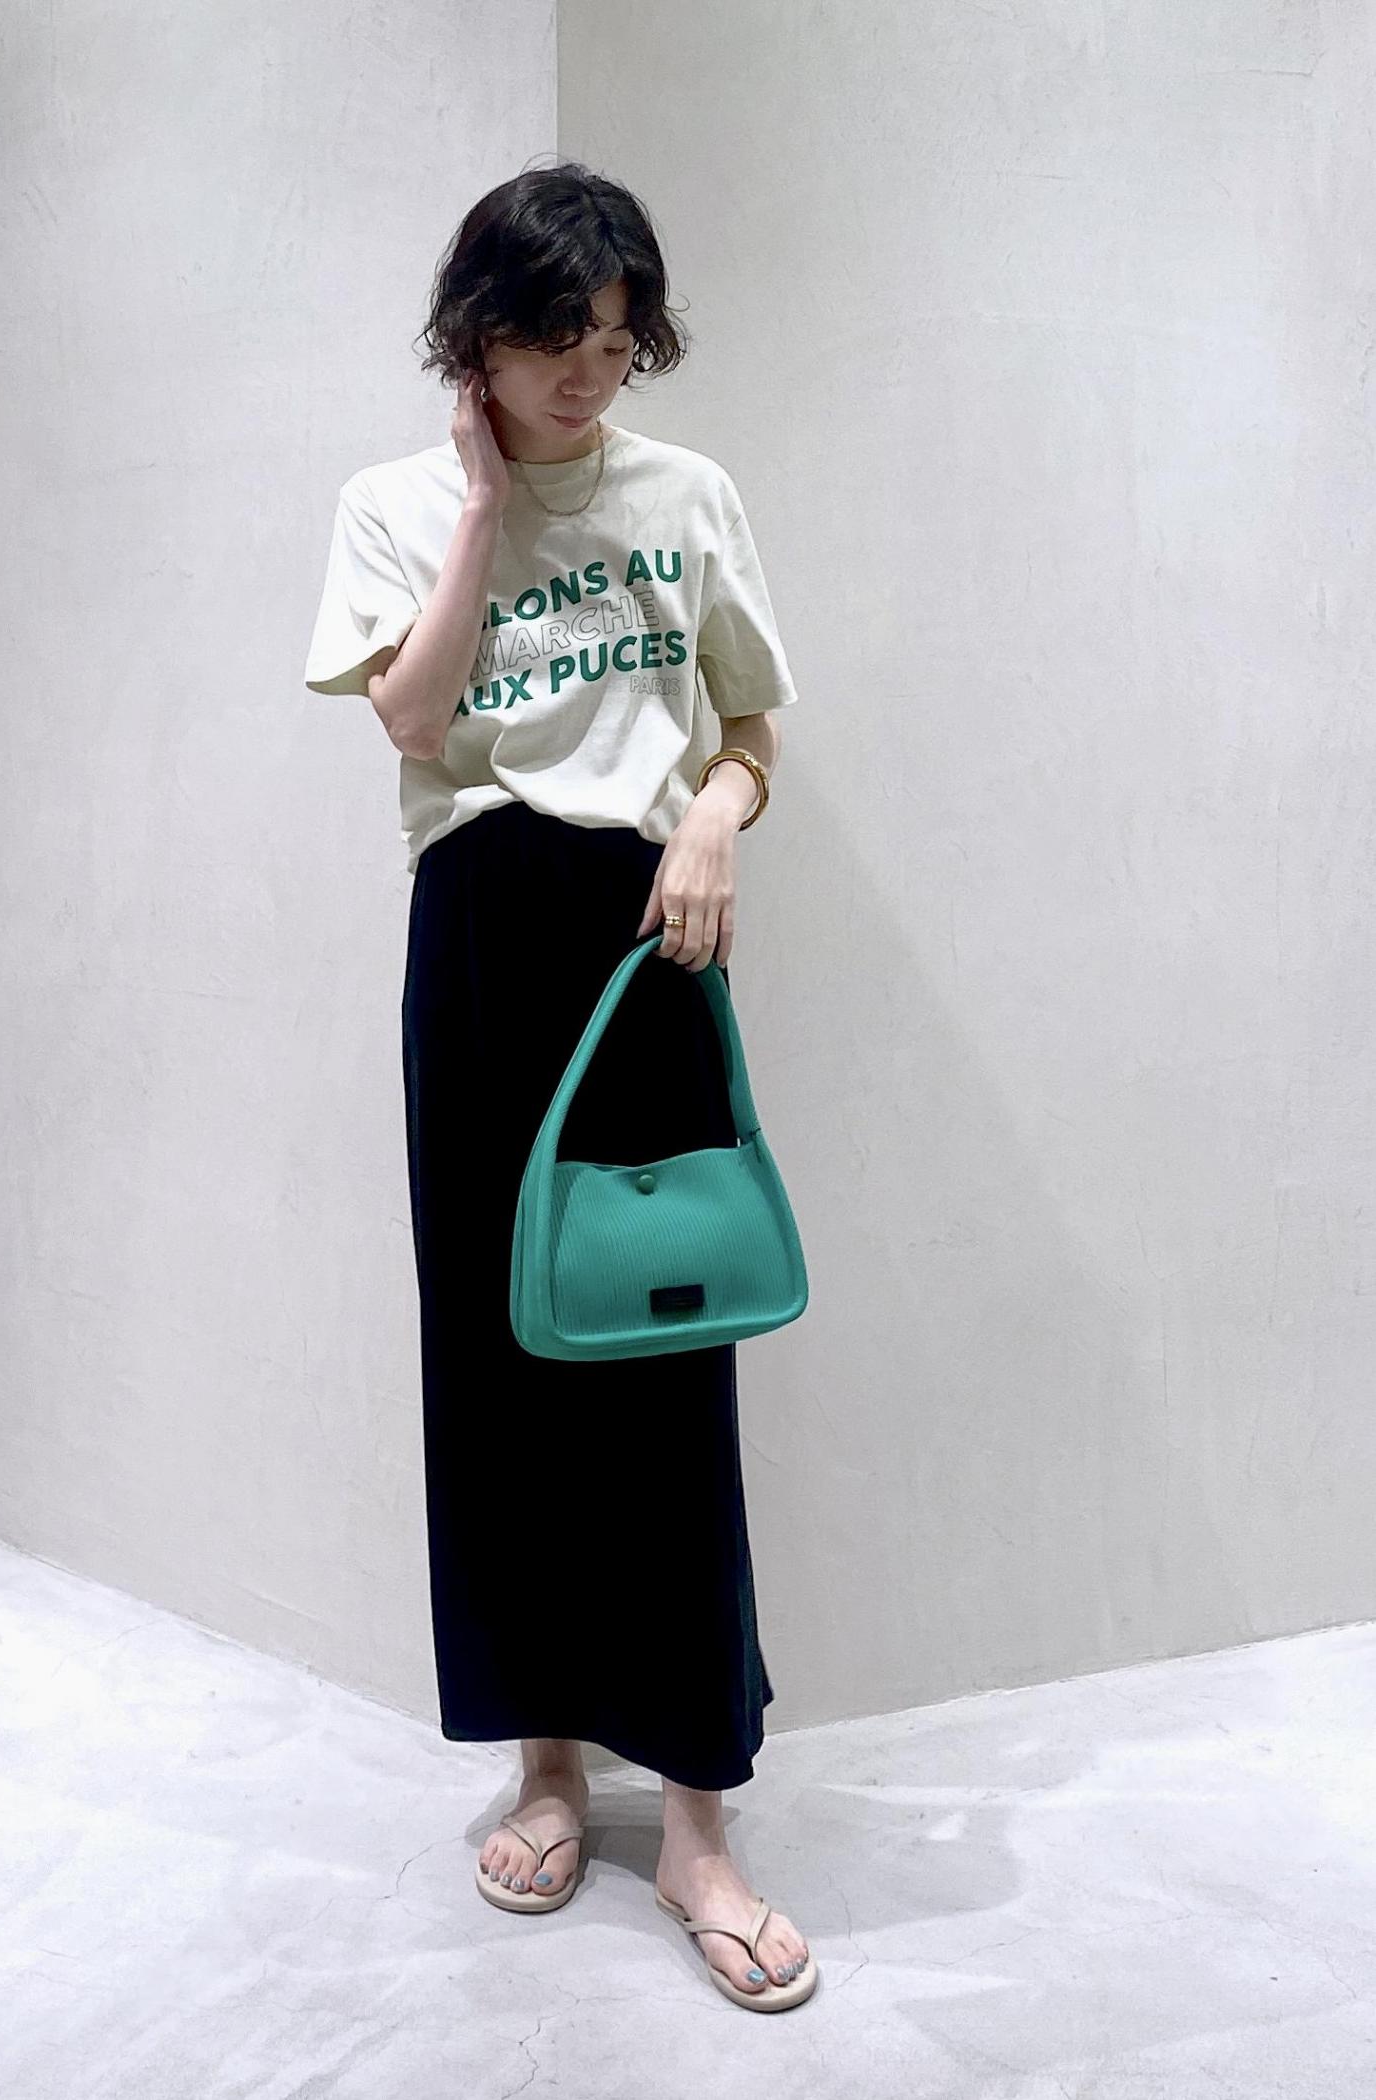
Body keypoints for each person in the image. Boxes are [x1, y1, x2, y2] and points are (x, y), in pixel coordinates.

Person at [302, 161, 814, 2010]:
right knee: (502, 1360)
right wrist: (478, 509)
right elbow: (414, 717)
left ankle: (698, 1822)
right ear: (476, 342)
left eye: (615, 339)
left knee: (667, 1370)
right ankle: (543, 1767)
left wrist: (716, 819)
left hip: (651, 930)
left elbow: (749, 729)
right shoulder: (391, 504)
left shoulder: (689, 495)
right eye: (551, 340)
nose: (590, 374)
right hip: (480, 935)